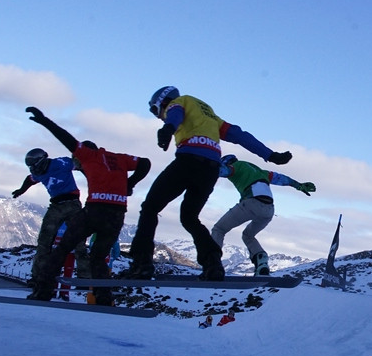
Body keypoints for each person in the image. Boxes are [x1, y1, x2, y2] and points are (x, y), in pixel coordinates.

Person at [123, 86, 292, 282]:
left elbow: (175, 113)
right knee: (189, 217)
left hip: (188, 159)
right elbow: (239, 135)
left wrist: (168, 128)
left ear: (162, 102)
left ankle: (141, 264)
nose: (158, 116)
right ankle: (213, 265)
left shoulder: (180, 102)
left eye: (155, 111)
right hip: (210, 169)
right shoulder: (210, 115)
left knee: (150, 207)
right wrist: (270, 155)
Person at [24, 107, 151, 305]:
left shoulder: (87, 156)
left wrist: (44, 121)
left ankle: (43, 290)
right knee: (98, 257)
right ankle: (103, 297)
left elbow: (66, 138)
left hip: (95, 210)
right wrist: (130, 184)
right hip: (117, 215)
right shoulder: (118, 158)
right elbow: (145, 163)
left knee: (63, 248)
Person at [211, 155, 315, 276]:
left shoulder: (235, 166)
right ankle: (262, 263)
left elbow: (224, 171)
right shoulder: (262, 172)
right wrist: (299, 185)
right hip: (268, 210)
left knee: (219, 229)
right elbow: (282, 179)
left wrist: (205, 169)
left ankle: (213, 264)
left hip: (251, 203)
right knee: (248, 236)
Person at [12, 148, 90, 284]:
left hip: (69, 205)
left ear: (40, 161)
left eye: (33, 165)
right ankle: (39, 276)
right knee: (46, 241)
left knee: (73, 241)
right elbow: (29, 179)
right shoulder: (39, 172)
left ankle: (84, 275)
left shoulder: (62, 162)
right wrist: (21, 190)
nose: (32, 169)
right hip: (59, 205)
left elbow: (80, 165)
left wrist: (91, 180)